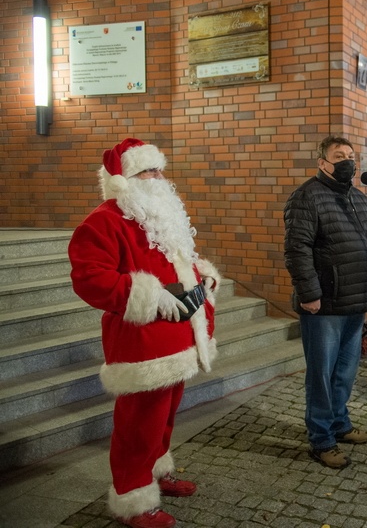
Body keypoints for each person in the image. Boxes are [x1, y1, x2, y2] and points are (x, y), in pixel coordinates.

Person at [68, 138, 221, 528]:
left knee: (165, 416)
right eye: (147, 171)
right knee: (138, 425)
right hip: (144, 343)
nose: (158, 178)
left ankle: (157, 472)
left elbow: (178, 261)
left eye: (158, 170)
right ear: (124, 180)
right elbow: (90, 279)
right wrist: (149, 296)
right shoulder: (103, 220)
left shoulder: (158, 214)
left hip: (180, 337)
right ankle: (134, 501)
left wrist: (201, 276)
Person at [284, 135, 367, 469]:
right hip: (323, 304)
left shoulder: (359, 198)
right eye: (339, 155)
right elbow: (297, 249)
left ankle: (340, 422)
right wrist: (309, 293)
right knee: (322, 374)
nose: (348, 161)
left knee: (345, 371)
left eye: (351, 156)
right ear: (322, 163)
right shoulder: (306, 197)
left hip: (355, 300)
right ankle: (321, 437)